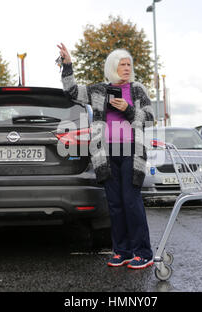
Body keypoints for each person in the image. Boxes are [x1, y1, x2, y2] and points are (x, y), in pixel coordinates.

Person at [57, 43, 155, 269]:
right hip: (106, 154)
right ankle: (122, 251)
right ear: (113, 67)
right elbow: (71, 92)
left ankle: (143, 252)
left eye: (129, 64)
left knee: (131, 202)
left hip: (131, 151)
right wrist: (68, 65)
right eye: (122, 64)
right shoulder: (100, 90)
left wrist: (128, 109)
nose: (127, 68)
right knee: (115, 204)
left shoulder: (137, 89)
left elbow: (150, 119)